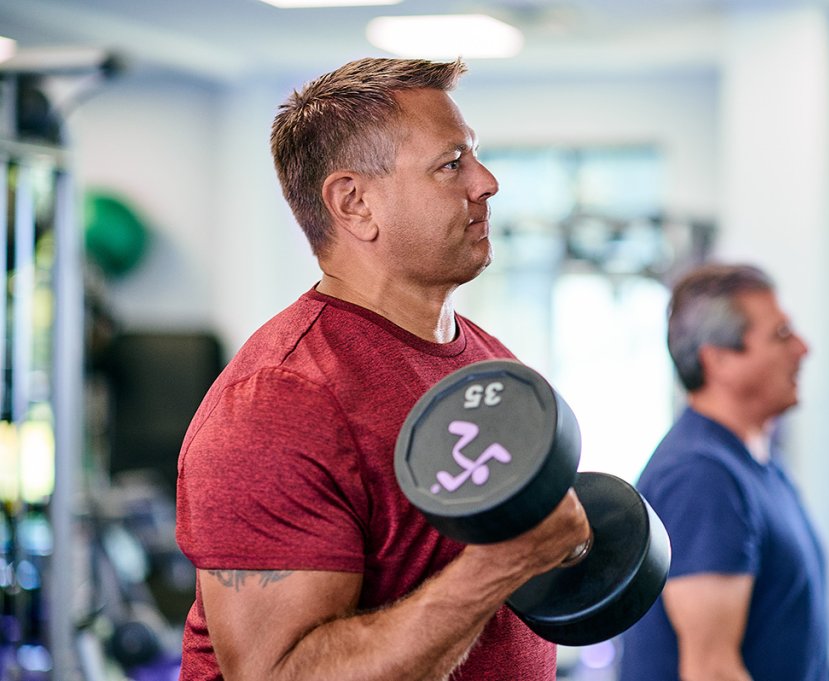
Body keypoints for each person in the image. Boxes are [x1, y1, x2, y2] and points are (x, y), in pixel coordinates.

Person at [174, 57, 591, 681]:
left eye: (474, 156)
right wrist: (499, 565)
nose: (487, 182)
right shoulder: (278, 403)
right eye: (452, 164)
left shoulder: (489, 362)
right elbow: (277, 674)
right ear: (355, 203)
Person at [619, 263, 829, 681]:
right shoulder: (702, 477)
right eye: (782, 336)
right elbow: (711, 670)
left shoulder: (758, 466)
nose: (803, 349)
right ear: (719, 361)